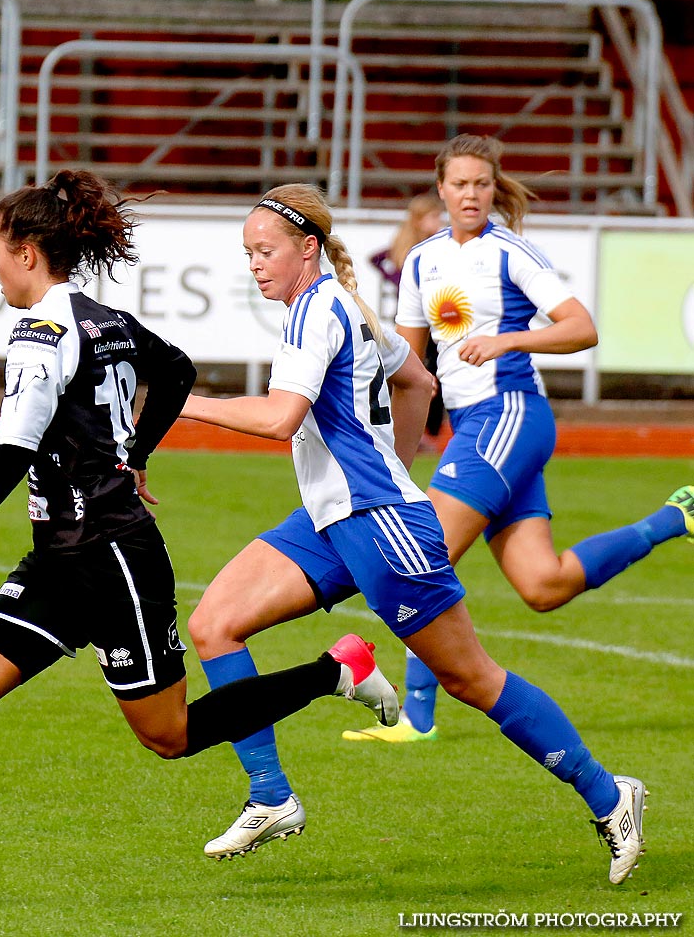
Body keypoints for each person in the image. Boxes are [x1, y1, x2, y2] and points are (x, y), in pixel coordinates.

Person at [0, 170, 400, 905]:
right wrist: (137, 452)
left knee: (170, 735)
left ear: (28, 252)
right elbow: (178, 369)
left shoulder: (42, 332)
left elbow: (12, 454)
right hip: (60, 559)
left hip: (115, 557)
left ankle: (334, 672)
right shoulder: (104, 318)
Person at [181, 183, 647, 885]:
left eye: (265, 250)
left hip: (378, 525)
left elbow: (281, 418)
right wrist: (395, 463)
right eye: (248, 253)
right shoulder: (338, 305)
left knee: (470, 678)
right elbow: (419, 382)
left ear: (307, 249)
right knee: (215, 624)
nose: (255, 264)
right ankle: (271, 795)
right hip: (335, 519)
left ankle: (612, 797)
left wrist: (180, 405)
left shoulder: (320, 311)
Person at [345, 134, 694, 745]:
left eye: (482, 183)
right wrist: (393, 449)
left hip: (508, 412)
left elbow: (581, 328)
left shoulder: (512, 252)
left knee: (422, 557)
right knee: (543, 585)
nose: (471, 194)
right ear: (442, 188)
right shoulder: (422, 261)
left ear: (493, 187)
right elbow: (410, 367)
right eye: (459, 184)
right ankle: (674, 518)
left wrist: (510, 340)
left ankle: (417, 720)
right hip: (478, 424)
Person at [370, 192, 447, 445]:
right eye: (434, 216)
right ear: (418, 220)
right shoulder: (413, 250)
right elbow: (378, 258)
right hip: (414, 318)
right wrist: (401, 282)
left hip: (435, 317)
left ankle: (427, 431)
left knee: (433, 370)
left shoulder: (435, 247)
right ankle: (409, 429)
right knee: (413, 370)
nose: (439, 221)